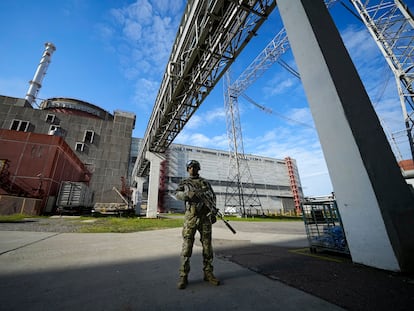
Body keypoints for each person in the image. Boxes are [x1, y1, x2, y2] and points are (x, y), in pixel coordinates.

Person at [175, 159, 220, 289]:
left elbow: (212, 197)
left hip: (205, 218)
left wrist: (212, 213)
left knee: (207, 247)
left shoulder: (205, 183)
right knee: (187, 247)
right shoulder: (185, 183)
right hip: (191, 218)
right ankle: (183, 276)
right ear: (187, 169)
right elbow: (176, 194)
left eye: (194, 167)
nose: (192, 169)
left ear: (198, 168)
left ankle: (208, 273)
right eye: (190, 167)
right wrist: (187, 194)